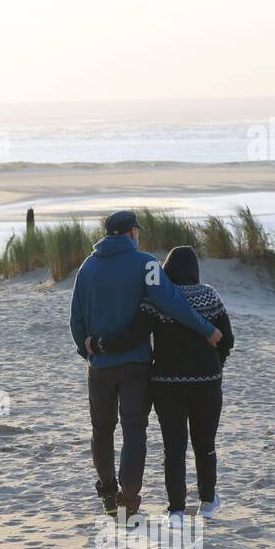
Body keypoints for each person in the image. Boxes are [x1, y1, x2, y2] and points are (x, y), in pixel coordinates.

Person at [69, 211, 221, 520]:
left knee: (102, 430)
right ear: (130, 233)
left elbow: (76, 320)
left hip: (99, 367)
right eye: (136, 231)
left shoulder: (87, 267)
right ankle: (129, 496)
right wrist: (206, 329)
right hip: (136, 365)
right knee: (134, 429)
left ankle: (109, 494)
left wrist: (89, 352)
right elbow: (172, 302)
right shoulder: (147, 264)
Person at [94, 245, 234, 524]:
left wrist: (100, 344)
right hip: (207, 384)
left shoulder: (157, 298)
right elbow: (227, 340)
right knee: (205, 443)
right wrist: (214, 365)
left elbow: (134, 336)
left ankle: (177, 511)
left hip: (166, 385)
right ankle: (207, 501)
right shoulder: (209, 295)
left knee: (175, 448)